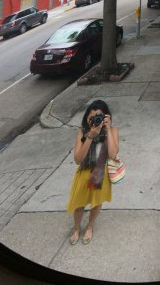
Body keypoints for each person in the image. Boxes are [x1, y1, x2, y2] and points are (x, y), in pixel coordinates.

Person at [66, 100, 120, 245]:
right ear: (86, 118)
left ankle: (89, 227)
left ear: (106, 117)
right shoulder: (82, 133)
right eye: (91, 118)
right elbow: (78, 159)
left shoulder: (113, 131)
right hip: (84, 173)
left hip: (102, 174)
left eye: (99, 117)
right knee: (79, 205)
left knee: (96, 204)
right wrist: (90, 136)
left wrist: (108, 130)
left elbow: (113, 154)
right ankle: (76, 228)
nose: (95, 121)